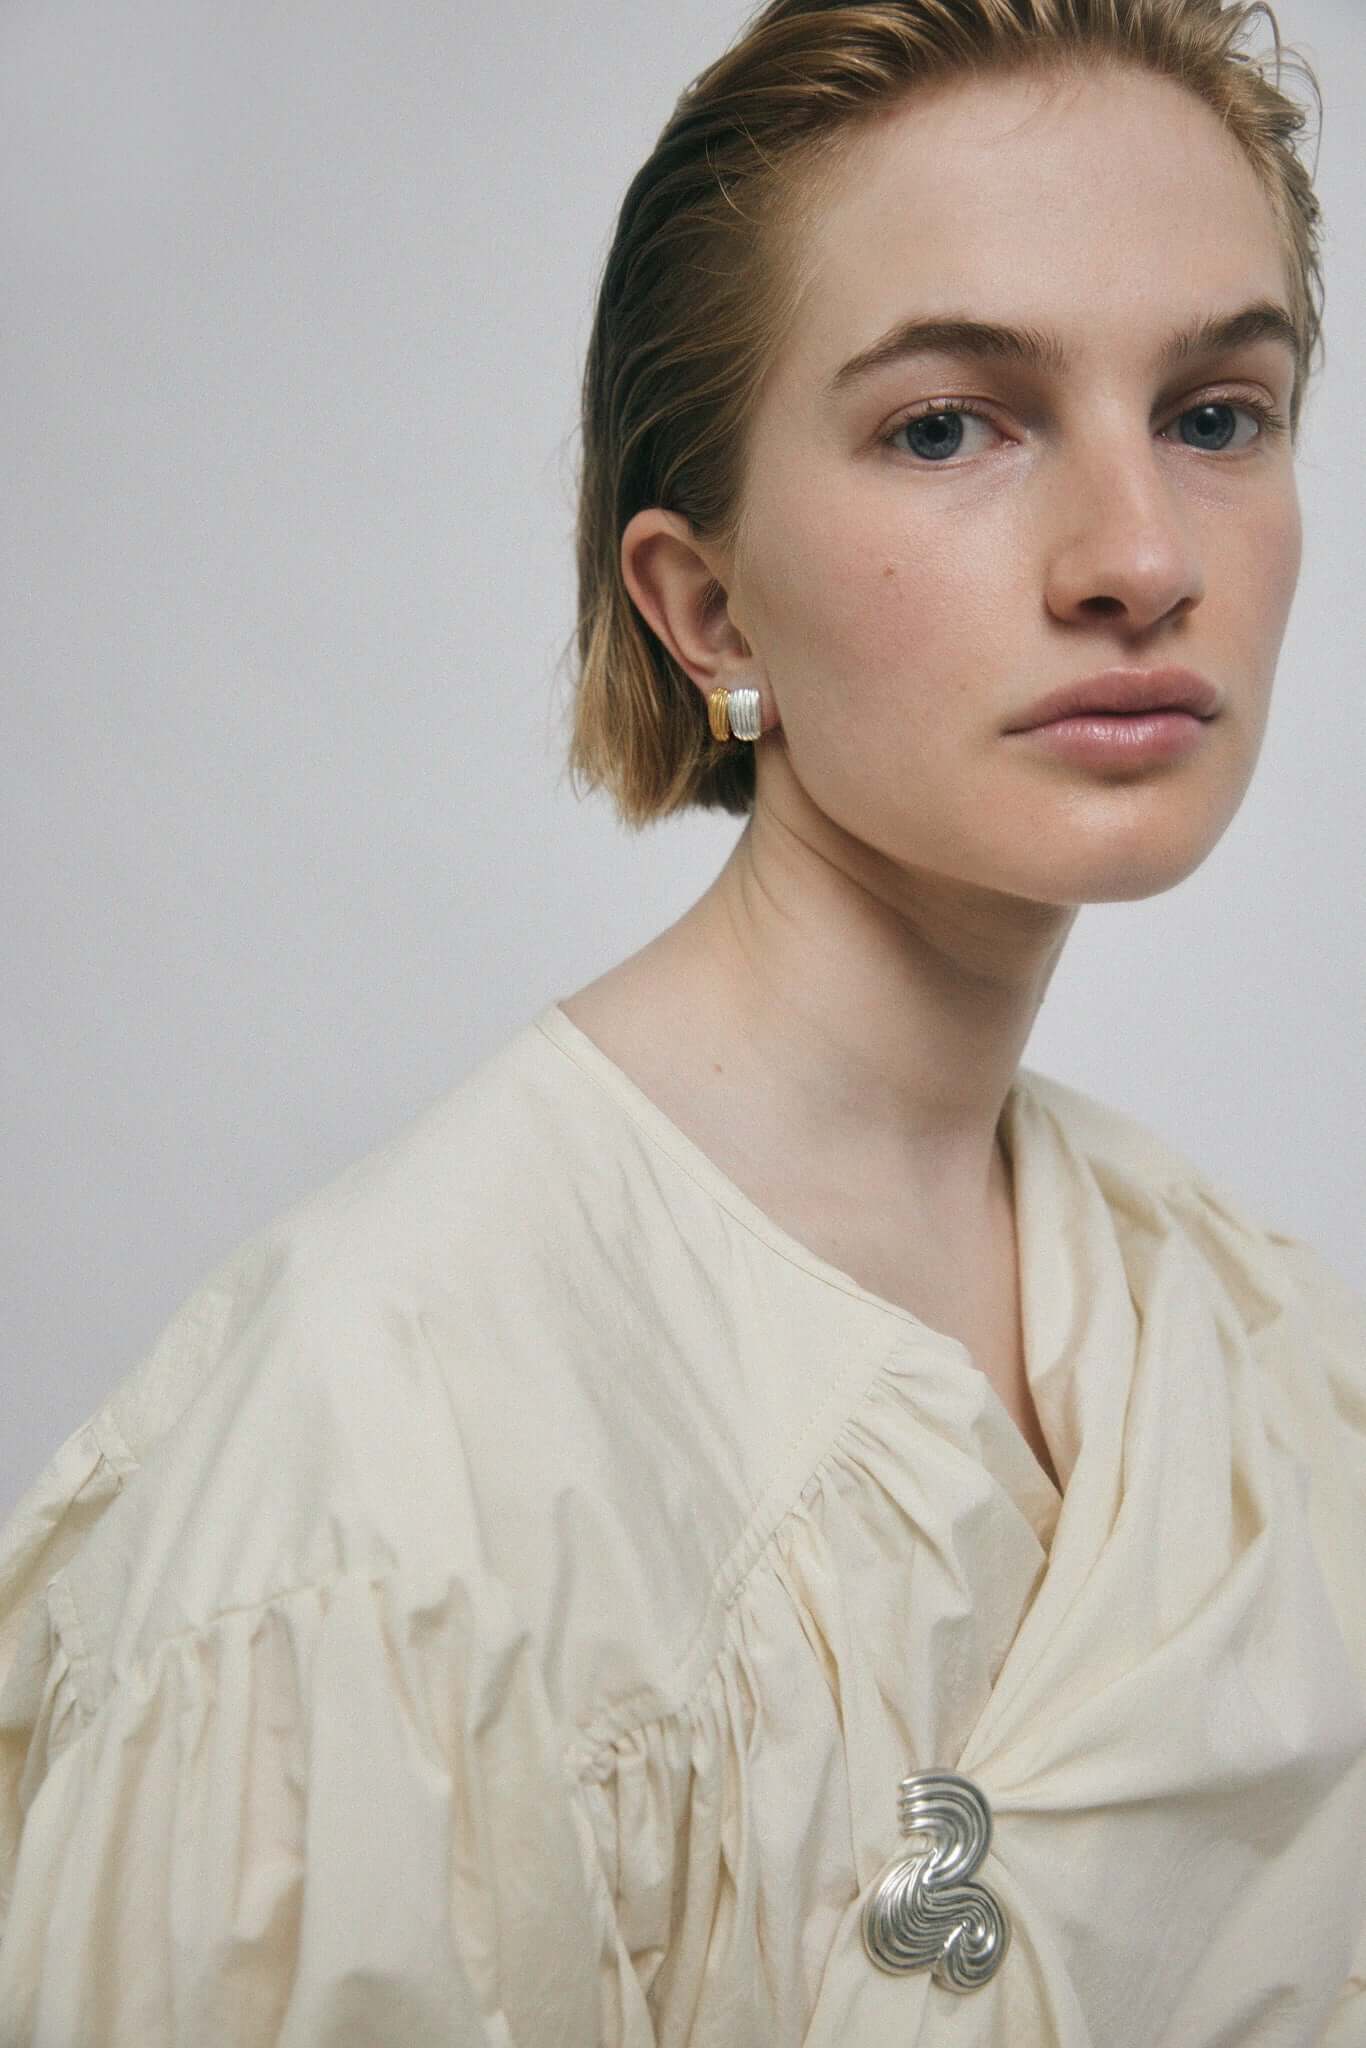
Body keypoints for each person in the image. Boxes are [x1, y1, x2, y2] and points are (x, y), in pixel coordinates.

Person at [1, 0, 1361, 2040]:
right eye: (944, 423)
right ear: (704, 606)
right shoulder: (372, 1487)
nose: (1139, 558)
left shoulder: (1254, 1344)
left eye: (1212, 412)